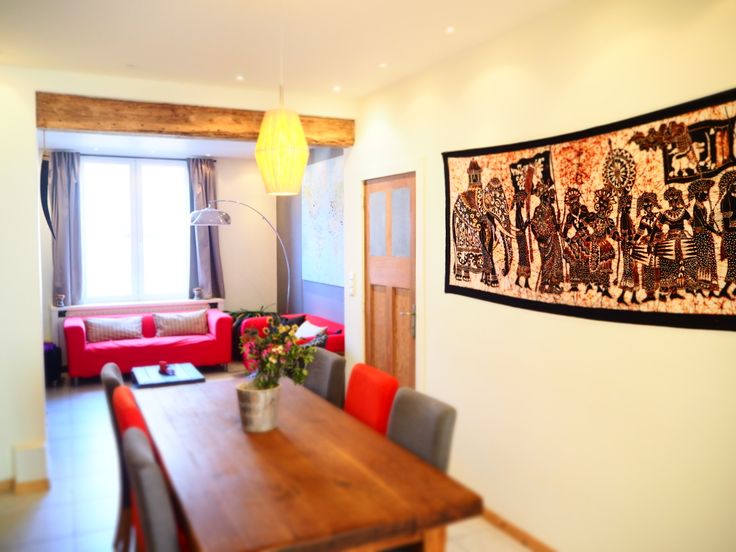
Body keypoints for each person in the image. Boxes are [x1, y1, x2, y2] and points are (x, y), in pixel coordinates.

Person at [531, 181, 564, 294]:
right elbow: (533, 225)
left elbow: (554, 223)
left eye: (548, 195)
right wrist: (538, 237)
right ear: (542, 197)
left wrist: (557, 225)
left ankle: (554, 284)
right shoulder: (538, 209)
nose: (548, 197)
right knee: (546, 262)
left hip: (553, 237)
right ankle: (544, 284)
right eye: (546, 195)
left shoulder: (551, 209)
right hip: (544, 240)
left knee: (557, 259)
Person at [687, 179, 719, 297]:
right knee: (702, 260)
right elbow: (703, 224)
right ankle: (701, 286)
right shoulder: (697, 207)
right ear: (698, 194)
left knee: (708, 260)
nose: (706, 195)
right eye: (704, 193)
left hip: (705, 236)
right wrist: (716, 231)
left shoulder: (702, 206)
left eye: (706, 193)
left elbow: (705, 223)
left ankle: (709, 286)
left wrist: (711, 219)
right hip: (701, 237)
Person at [719, 170, 736, 297]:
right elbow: (727, 224)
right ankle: (725, 289)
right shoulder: (726, 201)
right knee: (733, 264)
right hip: (731, 236)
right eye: (734, 185)